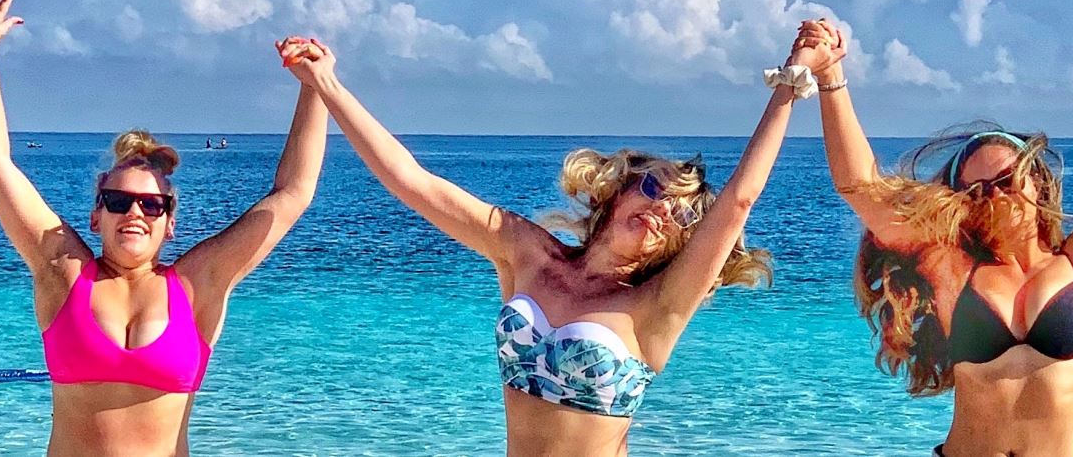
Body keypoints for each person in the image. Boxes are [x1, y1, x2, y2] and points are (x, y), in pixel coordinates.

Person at [300, 28, 831, 454]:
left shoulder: (656, 306)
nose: (660, 211)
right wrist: (327, 85)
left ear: (677, 247)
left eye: (679, 216)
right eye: (653, 187)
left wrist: (792, 80)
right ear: (617, 192)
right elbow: (413, 182)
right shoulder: (527, 253)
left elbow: (739, 199)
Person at [804, 0, 1073, 456]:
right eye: (977, 190)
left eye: (1005, 181)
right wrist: (831, 78)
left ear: (1036, 181)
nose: (995, 197)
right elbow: (860, 186)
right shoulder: (952, 266)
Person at [0, 0, 329, 455]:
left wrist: (313, 88)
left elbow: (293, 193)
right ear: (96, 215)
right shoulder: (64, 273)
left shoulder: (198, 285)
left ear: (169, 221)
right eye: (119, 201)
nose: (135, 212)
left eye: (152, 205)